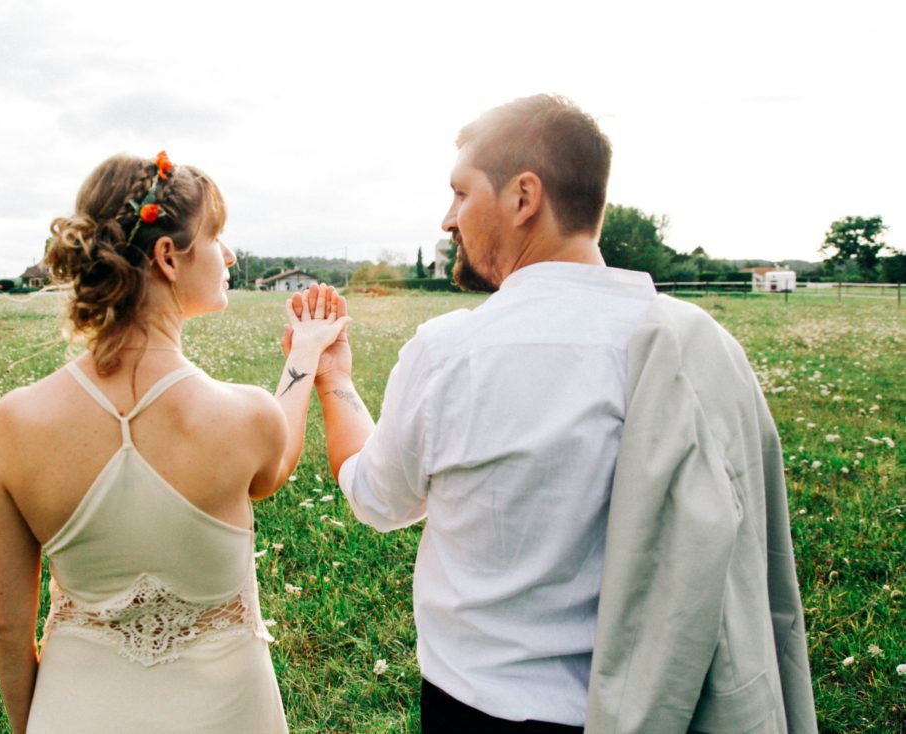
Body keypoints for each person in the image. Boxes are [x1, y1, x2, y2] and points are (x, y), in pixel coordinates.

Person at [303, 94, 816, 732]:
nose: (447, 219)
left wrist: (333, 381)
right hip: (669, 707)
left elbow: (376, 499)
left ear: (523, 197)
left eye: (461, 194)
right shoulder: (700, 347)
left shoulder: (453, 354)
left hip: (482, 706)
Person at [0, 151, 347, 733]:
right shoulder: (248, 417)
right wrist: (306, 355)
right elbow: (274, 465)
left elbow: (4, 626)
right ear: (168, 257)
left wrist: (35, 724)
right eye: (216, 235)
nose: (229, 255)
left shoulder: (17, 421)